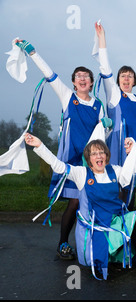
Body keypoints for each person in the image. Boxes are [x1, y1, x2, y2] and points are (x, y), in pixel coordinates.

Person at [15, 39, 108, 261]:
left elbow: (103, 134)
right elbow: (49, 74)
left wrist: (108, 125)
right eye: (79, 77)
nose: (83, 79)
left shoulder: (98, 105)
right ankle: (63, 243)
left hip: (91, 161)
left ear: (92, 82)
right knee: (75, 201)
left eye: (87, 76)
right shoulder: (68, 97)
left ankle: (91, 244)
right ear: (74, 83)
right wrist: (32, 52)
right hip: (71, 160)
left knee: (89, 201)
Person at [25, 133, 136, 279]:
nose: (98, 156)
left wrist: (132, 153)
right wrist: (39, 145)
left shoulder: (115, 170)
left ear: (106, 155)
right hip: (95, 224)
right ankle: (103, 257)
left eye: (101, 152)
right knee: (101, 255)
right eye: (94, 153)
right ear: (89, 159)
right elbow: (58, 166)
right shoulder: (81, 173)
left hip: (115, 220)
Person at [94, 23, 136, 207]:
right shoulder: (115, 94)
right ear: (117, 80)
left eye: (130, 76)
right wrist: (102, 38)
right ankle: (116, 224)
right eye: (123, 75)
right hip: (119, 144)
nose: (126, 79)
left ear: (135, 80)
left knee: (132, 185)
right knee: (119, 185)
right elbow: (105, 68)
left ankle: (129, 226)